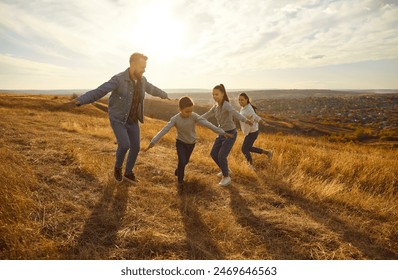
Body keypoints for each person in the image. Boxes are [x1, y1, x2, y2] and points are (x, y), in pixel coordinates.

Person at [68, 52, 169, 183]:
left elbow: (151, 89)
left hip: (132, 119)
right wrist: (81, 100)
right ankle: (117, 167)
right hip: (118, 118)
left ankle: (128, 173)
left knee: (136, 147)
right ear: (132, 64)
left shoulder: (142, 80)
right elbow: (100, 91)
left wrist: (164, 95)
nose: (144, 70)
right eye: (142, 67)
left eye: (145, 67)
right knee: (125, 144)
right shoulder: (118, 79)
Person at [143, 96, 233, 191]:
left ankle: (179, 170)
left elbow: (208, 124)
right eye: (187, 111)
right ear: (180, 109)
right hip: (180, 143)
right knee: (182, 161)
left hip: (191, 143)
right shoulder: (175, 119)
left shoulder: (194, 116)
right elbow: (164, 130)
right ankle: (180, 182)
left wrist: (223, 132)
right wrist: (153, 142)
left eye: (191, 111)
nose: (189, 113)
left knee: (185, 162)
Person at [201, 84, 253, 187]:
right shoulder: (215, 106)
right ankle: (226, 170)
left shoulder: (226, 104)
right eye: (213, 94)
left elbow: (235, 113)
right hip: (221, 134)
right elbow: (206, 114)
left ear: (222, 94)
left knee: (221, 155)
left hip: (230, 134)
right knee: (213, 153)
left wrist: (246, 120)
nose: (214, 96)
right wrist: (195, 119)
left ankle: (226, 177)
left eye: (217, 94)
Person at [238, 92, 273, 170]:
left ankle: (250, 165)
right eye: (239, 100)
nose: (240, 102)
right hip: (250, 132)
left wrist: (263, 122)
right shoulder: (244, 107)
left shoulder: (249, 109)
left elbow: (255, 117)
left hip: (252, 132)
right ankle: (267, 152)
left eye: (242, 100)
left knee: (244, 148)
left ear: (247, 100)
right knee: (249, 148)